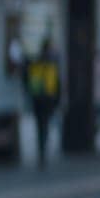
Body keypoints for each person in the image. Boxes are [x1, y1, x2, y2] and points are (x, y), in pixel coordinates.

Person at [24, 37, 62, 170]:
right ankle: (43, 148)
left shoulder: (37, 61)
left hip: (38, 98)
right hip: (47, 99)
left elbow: (28, 79)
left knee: (41, 125)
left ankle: (42, 149)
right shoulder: (51, 62)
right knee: (44, 125)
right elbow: (57, 83)